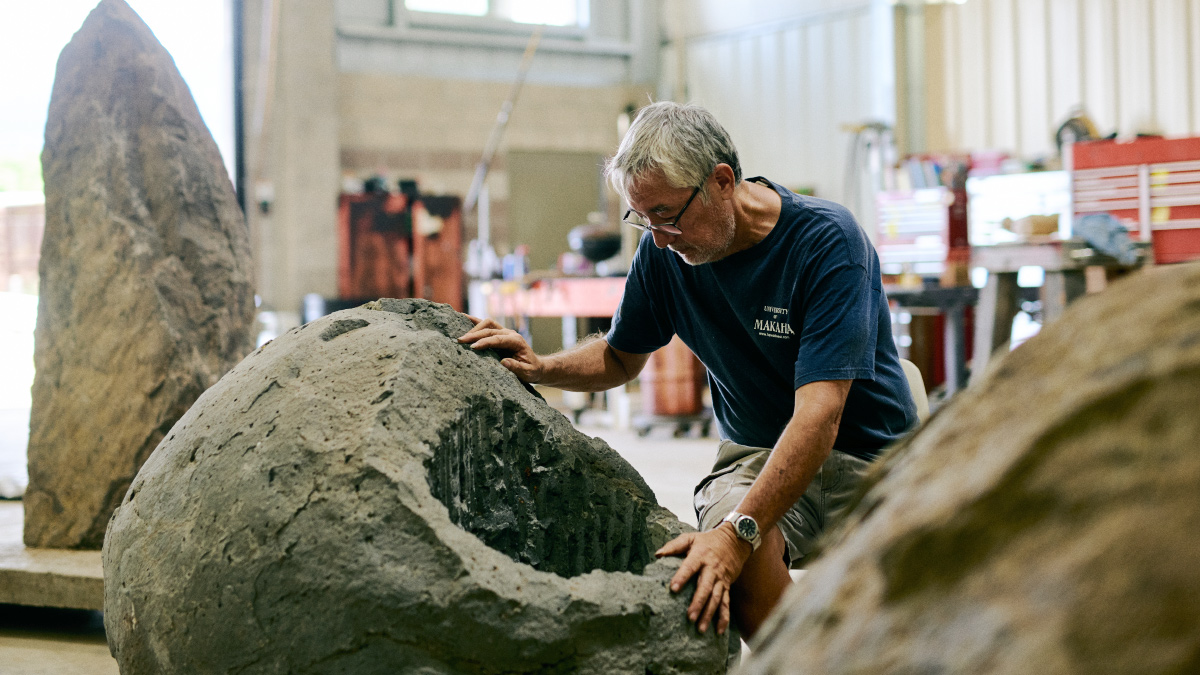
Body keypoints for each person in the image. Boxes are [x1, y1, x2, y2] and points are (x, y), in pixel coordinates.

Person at [458, 102, 916, 641]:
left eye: (667, 215)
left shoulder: (826, 243)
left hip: (871, 457)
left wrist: (736, 531)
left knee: (923, 590)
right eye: (642, 217)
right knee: (726, 565)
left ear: (722, 180)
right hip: (755, 454)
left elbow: (819, 415)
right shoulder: (664, 252)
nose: (656, 237)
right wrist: (540, 366)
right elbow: (620, 355)